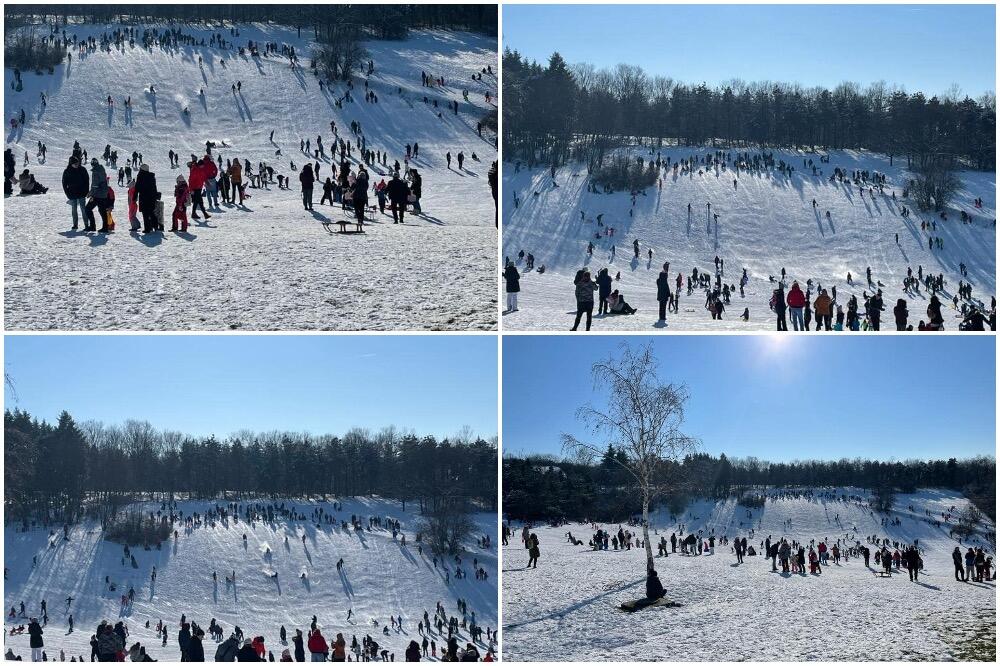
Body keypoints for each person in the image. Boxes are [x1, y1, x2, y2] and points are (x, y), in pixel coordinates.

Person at [62, 156, 90, 229]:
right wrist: (67, 193)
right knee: (74, 209)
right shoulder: (67, 171)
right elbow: (64, 183)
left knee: (83, 209)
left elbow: (87, 181)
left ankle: (87, 224)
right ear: (71, 164)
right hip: (72, 193)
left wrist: (86, 191)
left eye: (77, 163)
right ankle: (75, 225)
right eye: (75, 164)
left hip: (82, 193)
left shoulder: (82, 169)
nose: (76, 165)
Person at [86, 157, 111, 232]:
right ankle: (105, 227)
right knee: (102, 210)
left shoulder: (96, 171)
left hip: (97, 194)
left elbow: (95, 185)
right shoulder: (101, 169)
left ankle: (93, 226)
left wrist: (91, 193)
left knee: (87, 209)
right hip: (103, 194)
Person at [134, 164, 159, 233]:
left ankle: (148, 228)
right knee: (151, 212)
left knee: (145, 214)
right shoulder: (151, 176)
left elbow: (137, 188)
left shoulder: (140, 176)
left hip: (143, 197)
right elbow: (154, 188)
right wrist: (155, 196)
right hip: (151, 197)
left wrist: (134, 197)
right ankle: (155, 226)